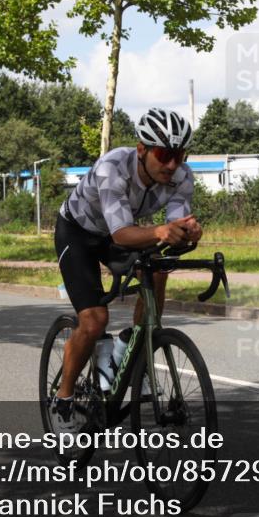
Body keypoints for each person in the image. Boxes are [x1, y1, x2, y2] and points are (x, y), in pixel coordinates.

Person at [52, 108, 202, 433]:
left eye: (179, 156)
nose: (172, 165)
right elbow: (122, 234)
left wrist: (187, 232)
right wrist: (161, 231)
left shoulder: (182, 177)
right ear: (142, 149)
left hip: (116, 232)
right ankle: (63, 399)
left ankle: (131, 346)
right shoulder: (113, 167)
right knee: (94, 321)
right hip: (78, 233)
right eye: (164, 155)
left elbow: (174, 225)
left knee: (158, 269)